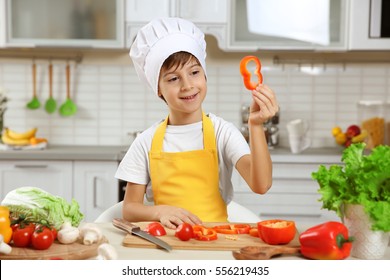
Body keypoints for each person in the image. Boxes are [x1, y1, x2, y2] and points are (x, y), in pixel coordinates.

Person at [115, 17, 279, 229]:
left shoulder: (223, 133)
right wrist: (159, 211)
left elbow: (261, 184)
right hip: (166, 246)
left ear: (204, 75)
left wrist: (255, 126)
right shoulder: (145, 141)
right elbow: (129, 209)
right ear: (158, 88)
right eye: (173, 79)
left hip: (215, 242)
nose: (187, 85)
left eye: (194, 72)